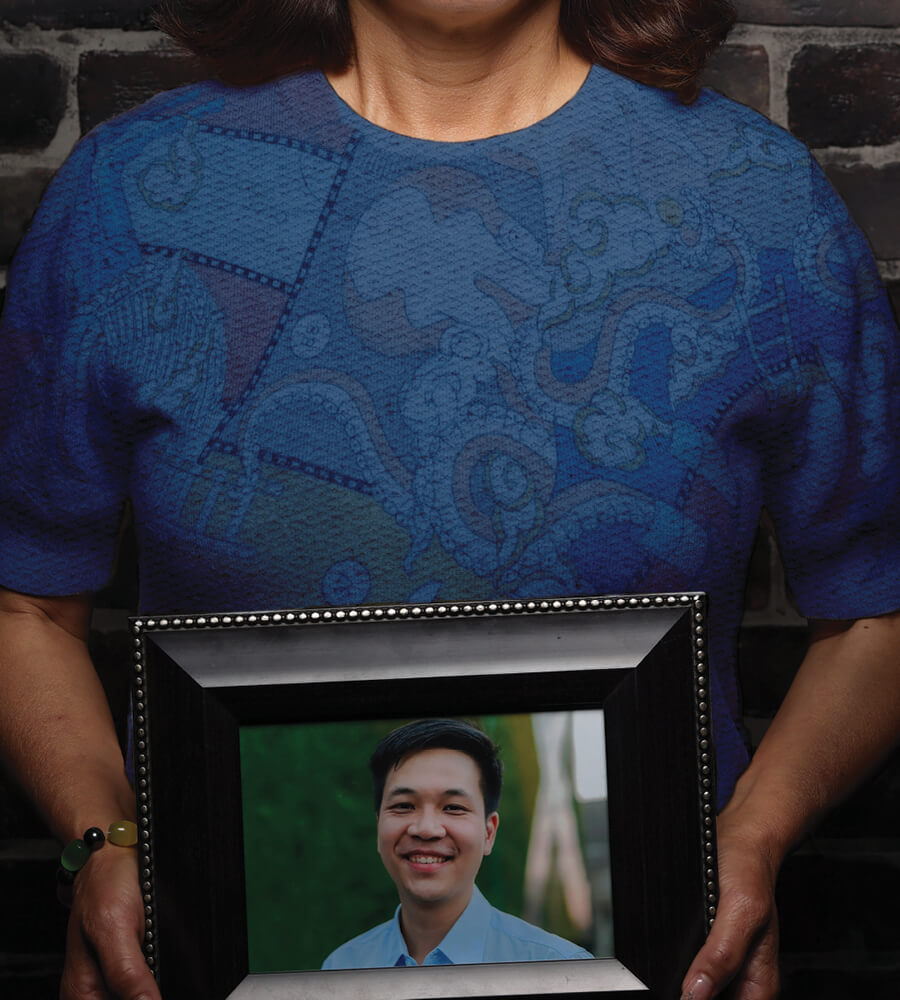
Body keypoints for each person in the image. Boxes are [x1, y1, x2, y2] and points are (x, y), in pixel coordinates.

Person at [0, 0, 897, 998]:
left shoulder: (758, 199)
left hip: (657, 957)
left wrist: (756, 836)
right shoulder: (134, 192)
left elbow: (875, 615)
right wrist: (104, 837)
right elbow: (23, 604)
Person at [321, 718, 593, 968]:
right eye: (404, 805)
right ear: (379, 824)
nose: (426, 829)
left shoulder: (559, 967)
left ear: (489, 833)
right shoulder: (341, 966)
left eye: (452, 807)